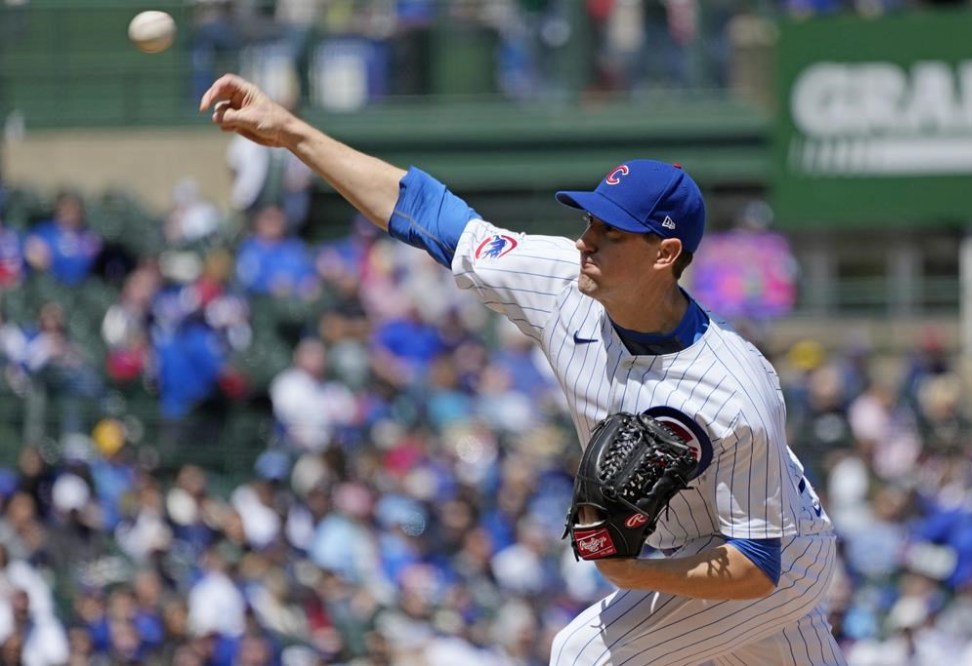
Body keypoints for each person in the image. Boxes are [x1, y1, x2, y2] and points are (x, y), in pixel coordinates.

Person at [200, 73, 845, 665]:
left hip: (770, 559)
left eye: (612, 232)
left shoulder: (735, 387)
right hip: (703, 550)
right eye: (592, 218)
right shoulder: (560, 278)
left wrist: (632, 573)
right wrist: (293, 133)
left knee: (580, 656)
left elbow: (758, 564)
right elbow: (427, 213)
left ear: (665, 252)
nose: (587, 238)